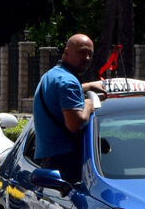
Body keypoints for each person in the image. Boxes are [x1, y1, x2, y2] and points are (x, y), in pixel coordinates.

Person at [32, 34, 103, 183]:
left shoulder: (52, 75)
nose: (87, 58)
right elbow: (75, 124)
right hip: (64, 163)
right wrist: (90, 105)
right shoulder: (68, 82)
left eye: (90, 54)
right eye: (82, 52)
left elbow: (60, 90)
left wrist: (88, 86)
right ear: (66, 52)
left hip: (50, 160)